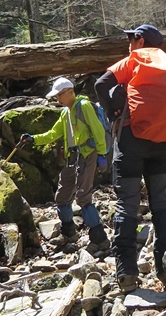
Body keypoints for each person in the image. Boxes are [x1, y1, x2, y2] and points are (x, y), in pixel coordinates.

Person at [95, 24, 166, 292]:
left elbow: (101, 84)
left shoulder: (132, 61)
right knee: (162, 204)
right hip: (162, 144)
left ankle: (127, 274)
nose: (128, 43)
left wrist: (112, 113)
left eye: (131, 38)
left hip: (131, 141)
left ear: (140, 40)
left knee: (127, 204)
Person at [21, 77, 110, 252]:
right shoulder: (65, 113)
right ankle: (69, 232)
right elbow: (53, 133)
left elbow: (98, 131)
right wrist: (33, 139)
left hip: (87, 155)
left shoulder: (83, 107)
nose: (57, 100)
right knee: (62, 196)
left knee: (83, 198)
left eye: (59, 96)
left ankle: (100, 239)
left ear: (69, 92)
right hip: (72, 159)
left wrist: (102, 154)